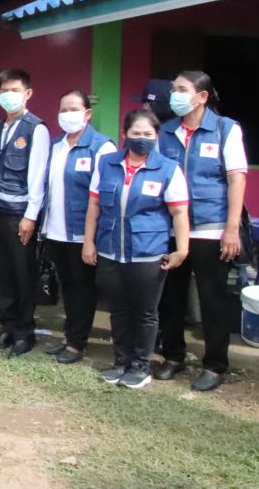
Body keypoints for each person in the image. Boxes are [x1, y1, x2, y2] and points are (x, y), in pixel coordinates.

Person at [83, 109, 189, 389]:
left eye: (148, 134)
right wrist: (89, 242)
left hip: (147, 254)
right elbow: (94, 205)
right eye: (136, 133)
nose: (142, 138)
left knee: (145, 312)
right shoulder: (107, 163)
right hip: (109, 250)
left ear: (156, 136)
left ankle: (141, 366)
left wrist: (182, 250)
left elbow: (179, 213)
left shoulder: (168, 169)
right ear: (124, 134)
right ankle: (121, 362)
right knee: (118, 311)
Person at [155, 71, 248, 392]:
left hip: (213, 229)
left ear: (202, 96)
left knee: (213, 299)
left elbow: (236, 178)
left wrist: (232, 229)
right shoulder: (166, 131)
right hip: (171, 230)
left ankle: (215, 365)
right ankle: (173, 356)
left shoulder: (225, 129)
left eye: (182, 89)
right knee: (170, 297)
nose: (174, 95)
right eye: (173, 89)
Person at [40, 90, 116, 363]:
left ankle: (76, 343)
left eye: (73, 109)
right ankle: (69, 336)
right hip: (56, 230)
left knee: (83, 288)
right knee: (67, 286)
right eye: (63, 109)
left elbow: (103, 197)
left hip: (83, 233)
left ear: (88, 113)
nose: (67, 114)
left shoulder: (102, 148)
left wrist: (91, 239)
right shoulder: (55, 146)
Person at [0, 69, 49, 357]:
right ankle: (7, 327)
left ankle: (24, 332)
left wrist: (30, 216)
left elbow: (37, 176)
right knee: (1, 274)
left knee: (22, 274)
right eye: (4, 90)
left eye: (15, 90)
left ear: (27, 93)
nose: (9, 95)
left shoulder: (36, 129)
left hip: (20, 216)